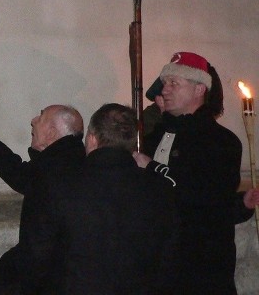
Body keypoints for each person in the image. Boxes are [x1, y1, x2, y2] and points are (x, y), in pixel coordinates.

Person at [133, 52, 259, 294]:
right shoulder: (154, 137)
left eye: (174, 83)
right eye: (165, 83)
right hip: (158, 262)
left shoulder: (221, 142)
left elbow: (203, 201)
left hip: (198, 268)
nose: (165, 90)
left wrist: (152, 168)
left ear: (199, 89)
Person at [29, 103, 179, 294]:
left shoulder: (60, 186)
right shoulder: (159, 188)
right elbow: (168, 259)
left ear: (92, 140)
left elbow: (38, 258)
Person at [0, 105, 86, 295]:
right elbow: (24, 175)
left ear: (51, 133)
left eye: (41, 117)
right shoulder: (67, 162)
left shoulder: (54, 170)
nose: (33, 120)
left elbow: (38, 253)